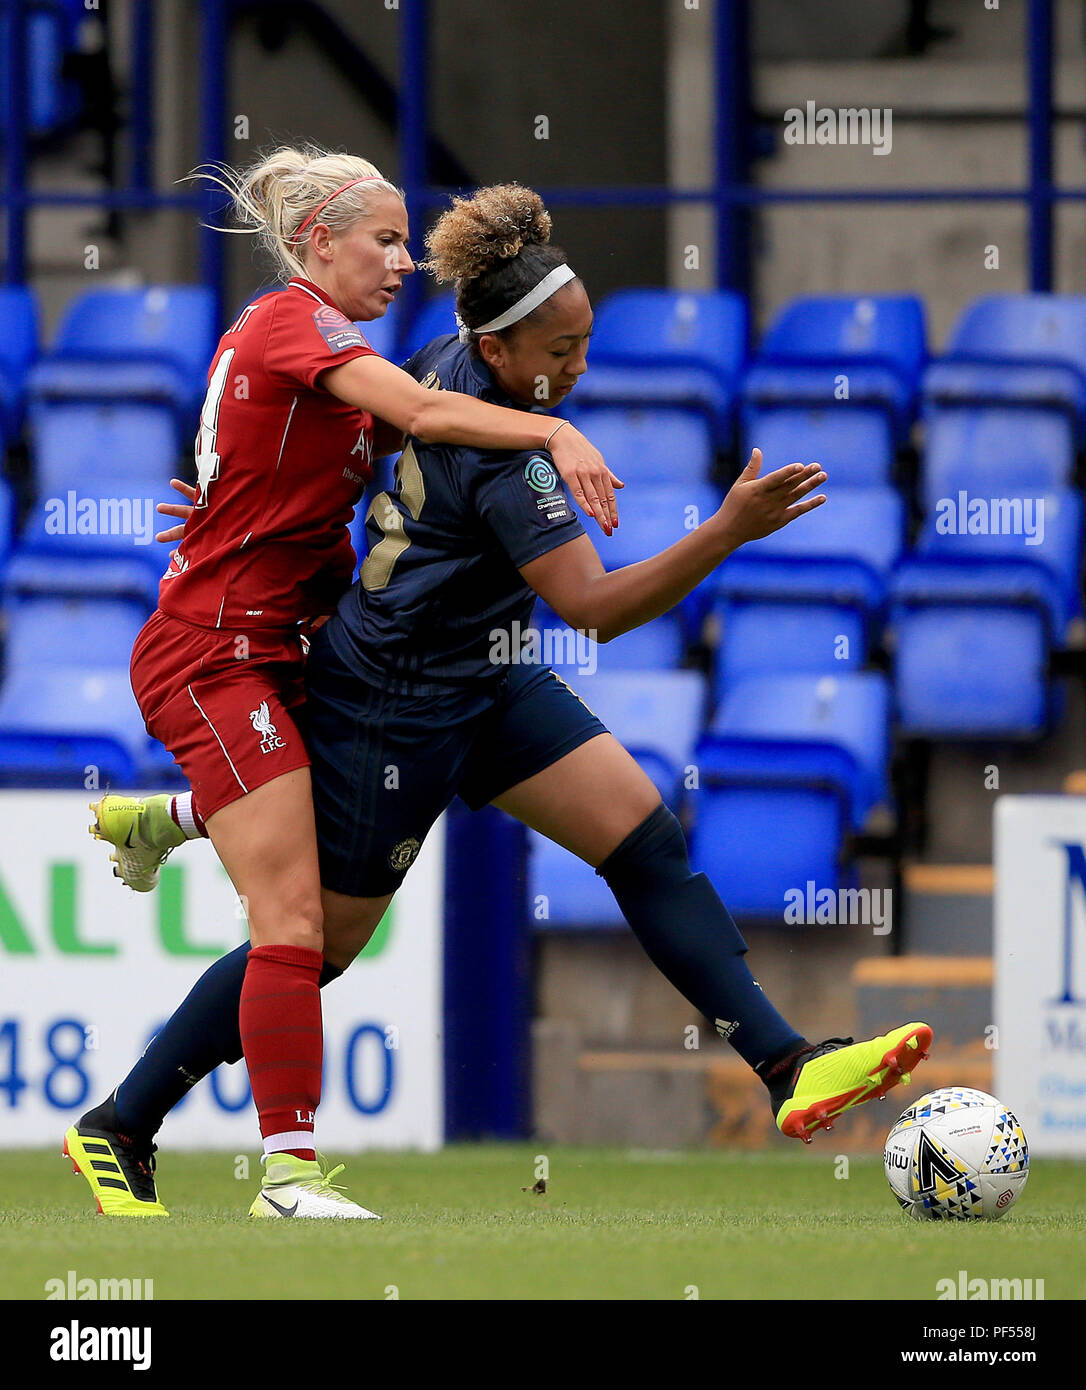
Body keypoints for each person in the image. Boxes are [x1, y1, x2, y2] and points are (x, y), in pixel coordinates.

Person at [76, 184, 932, 1221]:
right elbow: (597, 610)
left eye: (582, 344)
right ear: (502, 350)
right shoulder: (506, 457)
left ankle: (789, 1062)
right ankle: (125, 1120)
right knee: (309, 945)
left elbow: (338, 443)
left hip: (482, 672)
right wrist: (726, 530)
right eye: (560, 351)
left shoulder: (439, 364)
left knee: (641, 835)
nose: (578, 369)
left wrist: (234, 508)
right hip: (395, 698)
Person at [64, 150, 621, 1222]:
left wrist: (239, 515)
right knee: (292, 921)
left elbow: (344, 473)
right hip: (218, 654)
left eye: (409, 242)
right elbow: (428, 415)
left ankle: (168, 822)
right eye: (385, 240)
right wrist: (552, 423)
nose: (403, 262)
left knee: (314, 918)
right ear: (319, 243)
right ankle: (286, 1178)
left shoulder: (330, 350)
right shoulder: (292, 323)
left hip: (289, 646)